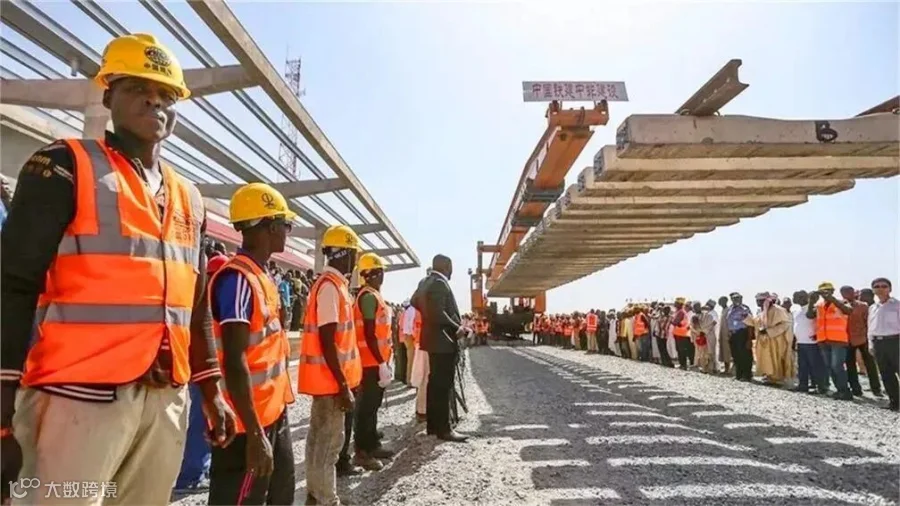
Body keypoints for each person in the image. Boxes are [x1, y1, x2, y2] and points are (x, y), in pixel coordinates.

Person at [0, 33, 236, 504]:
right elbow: (13, 285)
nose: (154, 100)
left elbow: (195, 305)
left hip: (165, 400)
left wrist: (211, 388)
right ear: (108, 97)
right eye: (137, 88)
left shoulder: (189, 198)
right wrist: (3, 412)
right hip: (77, 399)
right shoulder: (64, 166)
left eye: (166, 93)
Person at [206, 183, 297, 505]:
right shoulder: (238, 280)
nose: (287, 232)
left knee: (281, 492)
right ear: (270, 226)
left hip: (271, 413)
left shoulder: (260, 275)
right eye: (286, 224)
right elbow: (234, 360)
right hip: (247, 425)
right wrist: (255, 434)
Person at [298, 224, 363, 505]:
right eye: (354, 254)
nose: (356, 261)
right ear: (344, 254)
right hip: (331, 383)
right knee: (328, 446)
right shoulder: (330, 288)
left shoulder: (334, 286)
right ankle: (327, 499)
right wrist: (343, 385)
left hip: (328, 382)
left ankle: (315, 495)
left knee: (318, 443)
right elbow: (328, 340)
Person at [411, 255, 468, 443]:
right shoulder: (439, 283)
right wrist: (457, 328)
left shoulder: (424, 282)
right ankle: (444, 429)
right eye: (450, 267)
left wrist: (428, 315)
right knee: (443, 385)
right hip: (443, 341)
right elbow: (438, 313)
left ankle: (433, 426)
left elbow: (414, 301)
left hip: (432, 341)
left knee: (434, 383)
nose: (451, 271)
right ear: (446, 266)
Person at [352, 253, 395, 470]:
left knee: (373, 406)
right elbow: (369, 334)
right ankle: (362, 451)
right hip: (369, 363)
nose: (383, 276)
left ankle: (372, 444)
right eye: (381, 272)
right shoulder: (368, 297)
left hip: (375, 361)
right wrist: (380, 362)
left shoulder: (374, 296)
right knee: (366, 408)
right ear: (374, 274)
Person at [807, 282, 853, 401]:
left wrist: (832, 299)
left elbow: (849, 311)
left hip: (838, 340)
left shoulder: (841, 302)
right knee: (830, 367)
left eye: (827, 291)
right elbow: (809, 315)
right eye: (822, 291)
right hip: (823, 340)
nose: (825, 294)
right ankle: (839, 390)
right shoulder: (819, 305)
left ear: (832, 291)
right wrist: (811, 301)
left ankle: (845, 390)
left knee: (837, 366)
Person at [840, 285, 882, 398]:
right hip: (847, 340)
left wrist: (869, 337)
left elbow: (868, 322)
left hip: (863, 339)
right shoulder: (839, 306)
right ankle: (856, 389)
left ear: (854, 292)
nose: (847, 295)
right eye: (845, 293)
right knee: (850, 365)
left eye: (850, 292)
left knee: (870, 364)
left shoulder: (863, 306)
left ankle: (876, 389)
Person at [868, 277, 899, 411]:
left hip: (895, 342)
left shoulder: (897, 305)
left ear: (890, 289)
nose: (880, 289)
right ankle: (895, 402)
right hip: (878, 344)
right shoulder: (872, 308)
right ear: (873, 290)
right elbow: (870, 328)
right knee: (886, 374)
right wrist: (871, 344)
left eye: (884, 286)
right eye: (877, 286)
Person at [792, 290, 828, 394]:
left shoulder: (813, 308)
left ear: (805, 297)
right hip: (801, 342)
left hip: (812, 343)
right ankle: (803, 385)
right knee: (802, 366)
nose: (795, 298)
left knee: (816, 366)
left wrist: (818, 334)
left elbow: (820, 322)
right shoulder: (796, 311)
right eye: (795, 296)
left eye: (798, 296)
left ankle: (820, 387)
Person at [753, 292, 792, 386]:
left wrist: (769, 331)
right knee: (767, 358)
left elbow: (785, 324)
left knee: (776, 358)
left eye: (760, 301)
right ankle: (769, 376)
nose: (758, 303)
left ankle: (777, 379)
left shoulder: (778, 310)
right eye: (757, 301)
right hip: (766, 340)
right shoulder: (763, 312)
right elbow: (757, 322)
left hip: (776, 339)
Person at [726, 292, 754, 381]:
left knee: (745, 355)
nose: (736, 300)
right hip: (733, 334)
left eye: (738, 298)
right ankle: (739, 374)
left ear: (741, 299)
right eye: (734, 298)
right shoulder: (730, 309)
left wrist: (749, 339)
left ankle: (747, 375)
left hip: (742, 333)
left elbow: (750, 324)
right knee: (736, 355)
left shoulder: (744, 309)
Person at [671, 298, 692, 370]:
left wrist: (671, 320)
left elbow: (675, 322)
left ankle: (683, 365)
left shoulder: (681, 312)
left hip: (682, 334)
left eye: (676, 303)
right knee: (679, 350)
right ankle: (682, 364)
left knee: (681, 350)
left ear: (680, 304)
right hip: (679, 333)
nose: (674, 304)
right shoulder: (678, 311)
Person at [718, 296, 733, 375]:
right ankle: (726, 368)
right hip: (722, 333)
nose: (720, 303)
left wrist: (730, 333)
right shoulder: (723, 310)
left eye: (721, 301)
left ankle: (728, 369)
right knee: (723, 351)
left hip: (727, 333)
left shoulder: (728, 310)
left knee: (727, 351)